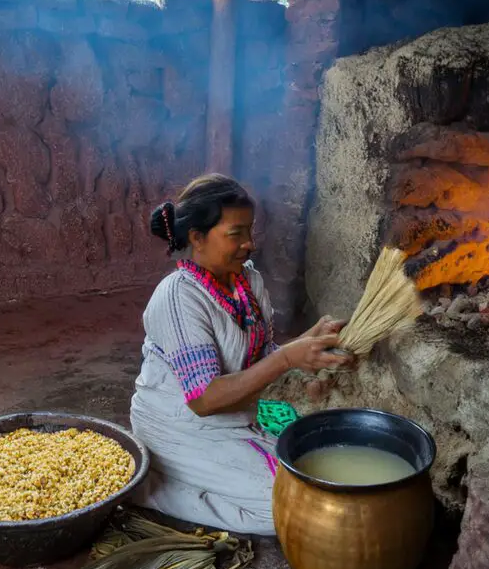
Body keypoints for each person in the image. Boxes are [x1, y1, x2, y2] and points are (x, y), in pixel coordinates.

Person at [129, 174, 350, 535]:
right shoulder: (179, 298)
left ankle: (206, 475)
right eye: (236, 234)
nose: (249, 244)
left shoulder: (248, 282)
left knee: (314, 487)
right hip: (182, 428)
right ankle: (156, 486)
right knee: (294, 513)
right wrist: (288, 359)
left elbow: (259, 358)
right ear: (197, 238)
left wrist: (310, 340)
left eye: (250, 231)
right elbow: (203, 399)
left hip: (234, 422)